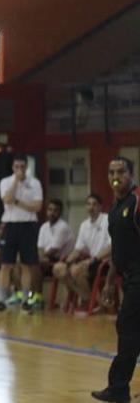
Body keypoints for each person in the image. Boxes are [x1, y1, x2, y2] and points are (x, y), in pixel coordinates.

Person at [93, 156, 140, 403]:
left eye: (121, 171)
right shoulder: (114, 209)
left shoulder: (136, 202)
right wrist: (110, 282)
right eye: (111, 171)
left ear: (131, 174)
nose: (115, 176)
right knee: (130, 330)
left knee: (127, 328)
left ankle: (119, 389)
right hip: (128, 278)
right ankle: (119, 388)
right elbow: (116, 249)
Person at [0, 154, 43, 313]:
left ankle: (26, 299)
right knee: (6, 264)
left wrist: (18, 202)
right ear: (13, 168)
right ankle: (2, 299)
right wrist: (16, 182)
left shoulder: (35, 183)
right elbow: (6, 198)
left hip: (28, 225)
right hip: (10, 225)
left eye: (22, 167)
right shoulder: (5, 182)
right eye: (16, 167)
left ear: (27, 167)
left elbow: (37, 206)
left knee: (26, 264)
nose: (20, 169)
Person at [52, 194, 110, 311]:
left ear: (100, 207)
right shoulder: (84, 225)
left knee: (76, 270)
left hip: (105, 261)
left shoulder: (107, 220)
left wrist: (94, 259)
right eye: (88, 204)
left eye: (94, 204)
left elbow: (111, 246)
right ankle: (88, 299)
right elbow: (78, 250)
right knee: (58, 269)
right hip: (91, 262)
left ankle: (96, 303)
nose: (91, 207)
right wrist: (67, 262)